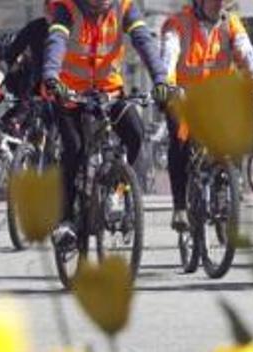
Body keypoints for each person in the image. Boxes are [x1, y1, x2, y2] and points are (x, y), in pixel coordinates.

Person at [42, 0, 169, 248]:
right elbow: (56, 39)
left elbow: (143, 40)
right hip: (70, 95)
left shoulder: (125, 7)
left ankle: (119, 191)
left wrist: (160, 78)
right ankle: (66, 220)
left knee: (135, 133)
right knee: (74, 149)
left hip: (109, 92)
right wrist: (50, 75)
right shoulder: (67, 7)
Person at [161, 0, 253, 232]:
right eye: (213, 2)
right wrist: (169, 84)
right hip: (184, 97)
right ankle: (180, 206)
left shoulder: (231, 24)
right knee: (179, 139)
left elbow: (247, 54)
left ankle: (226, 181)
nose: (217, 6)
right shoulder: (178, 23)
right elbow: (169, 57)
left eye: (222, 2)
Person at [0, 17, 50, 133]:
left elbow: (27, 99)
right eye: (0, 57)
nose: (8, 63)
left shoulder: (30, 68)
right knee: (1, 127)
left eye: (12, 58)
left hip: (34, 103)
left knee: (24, 121)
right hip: (19, 103)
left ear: (20, 56)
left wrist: (17, 119)